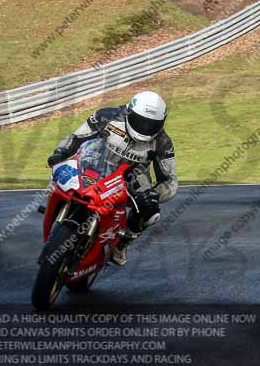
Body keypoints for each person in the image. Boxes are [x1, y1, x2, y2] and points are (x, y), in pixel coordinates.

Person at [47, 91, 178, 266]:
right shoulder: (106, 115)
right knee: (59, 172)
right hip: (94, 162)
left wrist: (154, 194)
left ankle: (122, 244)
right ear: (130, 112)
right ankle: (56, 212)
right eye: (141, 122)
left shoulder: (163, 142)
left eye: (151, 125)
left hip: (131, 178)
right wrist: (60, 152)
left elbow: (170, 181)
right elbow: (76, 138)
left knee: (151, 212)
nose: (145, 128)